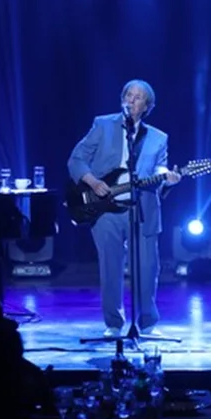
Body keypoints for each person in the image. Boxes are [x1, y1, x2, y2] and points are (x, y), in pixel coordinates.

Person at [68, 79, 181, 336]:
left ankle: (147, 322)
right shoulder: (103, 124)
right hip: (105, 207)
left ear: (147, 106)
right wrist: (93, 182)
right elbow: (76, 159)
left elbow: (159, 168)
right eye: (128, 94)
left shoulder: (158, 138)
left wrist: (168, 178)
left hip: (142, 208)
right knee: (111, 266)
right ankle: (114, 323)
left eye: (138, 97)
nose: (131, 99)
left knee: (147, 268)